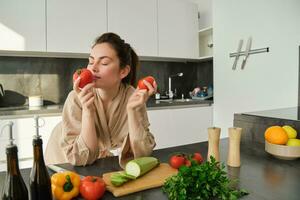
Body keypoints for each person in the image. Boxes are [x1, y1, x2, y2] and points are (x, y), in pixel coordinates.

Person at [45, 32, 157, 168]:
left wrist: (133, 111)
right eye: (91, 61)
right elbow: (80, 158)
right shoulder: (76, 98)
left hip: (98, 164)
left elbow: (142, 155)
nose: (93, 67)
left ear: (123, 71)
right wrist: (88, 111)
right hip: (62, 159)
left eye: (104, 62)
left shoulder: (134, 98)